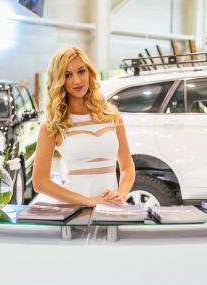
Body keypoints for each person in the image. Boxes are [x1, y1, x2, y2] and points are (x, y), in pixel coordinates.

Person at [33, 47, 135, 207]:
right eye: (68, 75)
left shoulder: (112, 116)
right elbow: (40, 182)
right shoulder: (53, 125)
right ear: (59, 80)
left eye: (81, 71)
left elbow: (127, 167)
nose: (77, 81)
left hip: (110, 210)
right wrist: (88, 201)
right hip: (74, 210)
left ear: (89, 73)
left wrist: (121, 194)